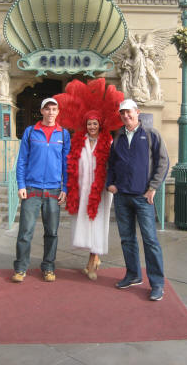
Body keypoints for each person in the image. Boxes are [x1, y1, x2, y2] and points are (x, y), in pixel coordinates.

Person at [54, 78, 124, 280]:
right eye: (89, 123)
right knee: (84, 222)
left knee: (98, 221)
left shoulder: (108, 141)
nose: (92, 126)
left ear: (100, 124)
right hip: (81, 189)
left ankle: (93, 260)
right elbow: (70, 165)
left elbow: (115, 164)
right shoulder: (78, 141)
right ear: (85, 125)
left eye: (95, 123)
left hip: (101, 190)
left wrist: (114, 183)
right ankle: (92, 257)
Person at [107, 98, 169, 301]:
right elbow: (111, 163)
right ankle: (133, 275)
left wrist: (153, 188)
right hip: (122, 197)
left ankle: (157, 283)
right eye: (122, 113)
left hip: (143, 198)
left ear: (137, 112)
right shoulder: (118, 137)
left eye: (129, 112)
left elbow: (162, 162)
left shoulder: (151, 134)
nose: (126, 116)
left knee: (150, 240)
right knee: (127, 239)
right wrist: (111, 183)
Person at [12, 97, 71, 283]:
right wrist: (21, 185)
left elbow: (66, 163)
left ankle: (48, 267)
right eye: (48, 109)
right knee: (25, 232)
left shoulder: (63, 134)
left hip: (53, 190)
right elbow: (22, 160)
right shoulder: (31, 132)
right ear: (42, 111)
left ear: (58, 112)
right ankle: (21, 268)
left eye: (54, 109)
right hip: (31, 189)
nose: (51, 112)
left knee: (52, 232)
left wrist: (65, 187)